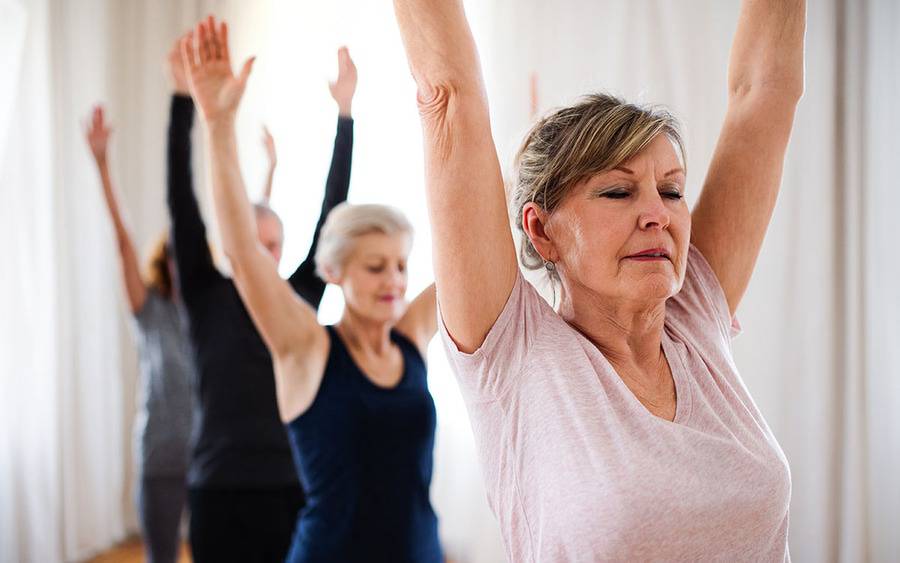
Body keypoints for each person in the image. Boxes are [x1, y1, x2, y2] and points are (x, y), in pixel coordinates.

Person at [392, 0, 805, 560]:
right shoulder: (514, 352)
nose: (657, 213)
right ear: (542, 231)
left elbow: (765, 94)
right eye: (618, 191)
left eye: (672, 190)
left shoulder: (696, 314)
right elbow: (448, 95)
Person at [179, 17, 443, 562]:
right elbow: (243, 253)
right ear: (335, 273)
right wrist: (219, 125)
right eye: (376, 268)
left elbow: (472, 253)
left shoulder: (412, 336)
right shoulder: (306, 345)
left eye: (400, 265)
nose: (394, 282)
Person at [164, 33, 358, 562]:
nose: (263, 254)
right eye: (252, 244)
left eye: (273, 245)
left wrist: (345, 115)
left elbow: (332, 211)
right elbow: (182, 205)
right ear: (233, 248)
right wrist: (185, 103)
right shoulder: (204, 295)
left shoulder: (299, 295)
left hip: (288, 484)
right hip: (216, 488)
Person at [85, 105, 194, 563]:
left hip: (212, 459)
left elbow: (248, 247)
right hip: (161, 459)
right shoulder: (149, 310)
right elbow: (123, 241)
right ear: (164, 261)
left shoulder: (217, 310)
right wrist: (103, 164)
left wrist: (270, 171)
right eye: (174, 253)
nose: (181, 261)